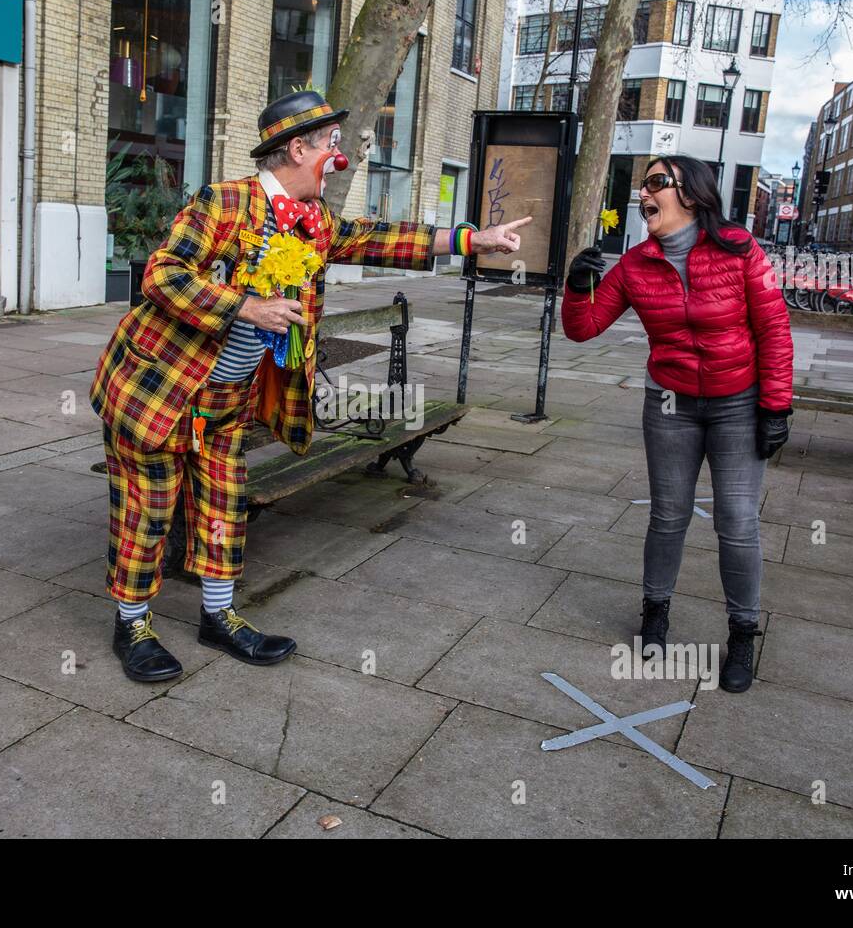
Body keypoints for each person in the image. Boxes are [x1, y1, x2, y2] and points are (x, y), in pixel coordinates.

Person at [91, 90, 530, 681]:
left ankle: (217, 617)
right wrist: (246, 306)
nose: (339, 156)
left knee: (225, 507)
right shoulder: (223, 202)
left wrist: (469, 240)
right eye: (331, 145)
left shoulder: (316, 220)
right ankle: (133, 625)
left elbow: (376, 238)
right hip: (160, 389)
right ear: (297, 148)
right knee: (149, 511)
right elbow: (162, 277)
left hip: (226, 401)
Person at [562, 155, 793, 693]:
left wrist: (776, 406)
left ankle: (741, 635)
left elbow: (775, 330)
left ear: (691, 195)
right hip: (670, 403)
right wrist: (577, 286)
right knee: (668, 514)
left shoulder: (739, 250)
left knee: (736, 519)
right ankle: (656, 615)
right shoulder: (638, 263)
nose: (645, 193)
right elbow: (584, 329)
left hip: (739, 401)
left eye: (656, 183)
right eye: (643, 184)